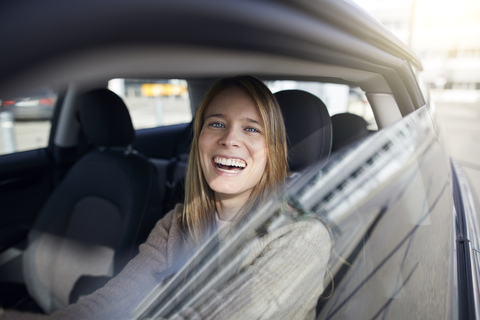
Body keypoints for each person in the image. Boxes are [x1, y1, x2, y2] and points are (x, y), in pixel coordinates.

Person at [2, 75, 331, 320]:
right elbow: (107, 306)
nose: (230, 139)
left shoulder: (301, 236)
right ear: (199, 139)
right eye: (216, 123)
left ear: (274, 152)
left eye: (251, 129)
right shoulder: (177, 223)